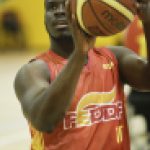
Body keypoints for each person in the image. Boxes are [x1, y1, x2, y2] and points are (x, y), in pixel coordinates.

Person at [13, 0, 150, 150]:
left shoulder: (114, 58)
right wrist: (79, 54)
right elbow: (44, 121)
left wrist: (148, 22)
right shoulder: (33, 71)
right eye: (51, 7)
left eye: (65, 5)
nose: (58, 11)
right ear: (45, 18)